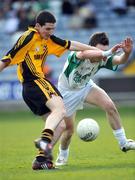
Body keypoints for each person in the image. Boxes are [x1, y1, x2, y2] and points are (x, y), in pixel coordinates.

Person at [0, 10, 113, 170]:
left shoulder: (48, 39)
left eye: (53, 29)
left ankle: (40, 160)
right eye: (47, 29)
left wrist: (101, 52)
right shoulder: (29, 37)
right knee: (60, 110)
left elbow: (71, 45)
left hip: (32, 88)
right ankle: (44, 141)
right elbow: (7, 59)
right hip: (35, 82)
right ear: (37, 26)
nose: (51, 32)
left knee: (60, 126)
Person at [54, 32, 135, 166]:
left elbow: (120, 61)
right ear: (91, 47)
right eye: (99, 50)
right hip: (67, 93)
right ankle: (62, 155)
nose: (102, 54)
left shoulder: (102, 58)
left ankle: (124, 143)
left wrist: (127, 53)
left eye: (104, 50)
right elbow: (84, 54)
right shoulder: (78, 54)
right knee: (68, 131)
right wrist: (106, 53)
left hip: (85, 87)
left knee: (110, 106)